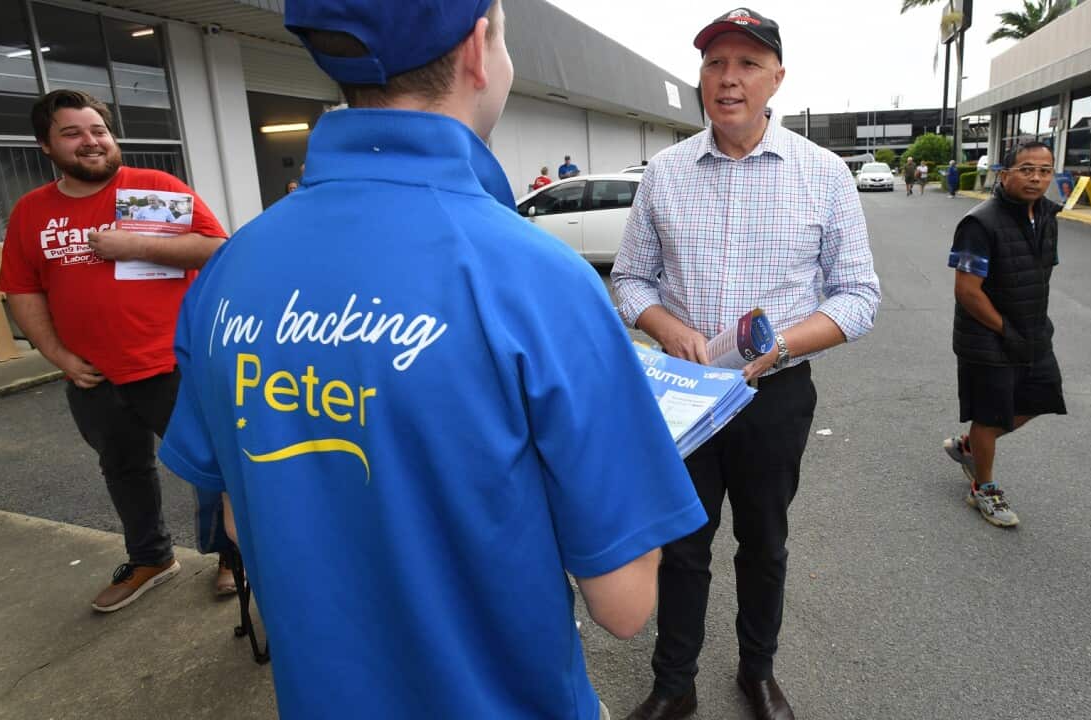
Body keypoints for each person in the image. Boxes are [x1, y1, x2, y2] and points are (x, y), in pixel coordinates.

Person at [157, 2, 706, 718]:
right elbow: (625, 604)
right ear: (480, 49)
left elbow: (234, 520)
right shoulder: (539, 279)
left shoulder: (233, 267)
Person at [612, 8, 880, 720]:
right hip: (685, 394)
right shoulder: (664, 174)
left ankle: (757, 673)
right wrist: (666, 325)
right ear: (700, 77)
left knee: (764, 542)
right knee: (680, 544)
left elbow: (858, 297)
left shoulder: (823, 175)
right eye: (714, 64)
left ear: (776, 79)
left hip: (776, 395)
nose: (728, 79)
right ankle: (675, 684)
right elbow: (630, 280)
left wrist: (782, 346)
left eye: (747, 64)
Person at [0, 89, 229, 612]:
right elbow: (23, 289)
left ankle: (230, 557)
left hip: (172, 363)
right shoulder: (32, 211)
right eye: (73, 133)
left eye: (98, 130)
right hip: (92, 375)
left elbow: (217, 249)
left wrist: (137, 244)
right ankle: (151, 558)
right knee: (124, 469)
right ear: (45, 146)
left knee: (210, 465)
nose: (91, 141)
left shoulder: (153, 188)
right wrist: (57, 355)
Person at [942, 140, 1067, 529]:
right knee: (989, 412)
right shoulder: (979, 223)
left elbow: (1041, 274)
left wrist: (1030, 326)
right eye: (1026, 169)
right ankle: (984, 487)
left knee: (1042, 396)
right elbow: (967, 291)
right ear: (1005, 173)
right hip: (986, 337)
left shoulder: (1048, 215)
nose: (1036, 178)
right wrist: (1005, 329)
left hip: (1031, 332)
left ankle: (970, 447)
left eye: (1044, 170)